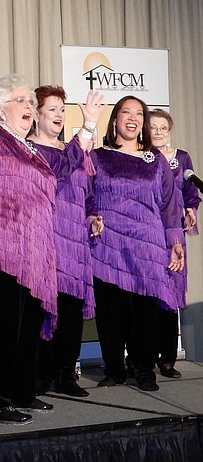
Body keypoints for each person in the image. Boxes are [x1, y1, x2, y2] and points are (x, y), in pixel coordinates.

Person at [0, 32, 95, 425]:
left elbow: (64, 167)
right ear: (0, 107)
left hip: (32, 253)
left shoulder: (32, 149)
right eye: (22, 101)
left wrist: (90, 125)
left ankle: (20, 392)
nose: (30, 106)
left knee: (25, 327)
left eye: (32, 102)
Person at [91, 96, 185, 392]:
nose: (132, 118)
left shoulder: (155, 160)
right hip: (108, 245)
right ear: (115, 118)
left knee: (145, 311)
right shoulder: (97, 157)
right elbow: (86, 194)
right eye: (126, 112)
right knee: (111, 310)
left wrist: (174, 241)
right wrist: (91, 215)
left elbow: (170, 204)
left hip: (147, 244)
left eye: (138, 114)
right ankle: (115, 369)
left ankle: (144, 368)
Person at [29, 85, 104, 398]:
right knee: (43, 309)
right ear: (36, 114)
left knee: (70, 311)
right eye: (52, 109)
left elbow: (87, 192)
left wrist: (92, 215)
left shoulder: (76, 151)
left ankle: (65, 374)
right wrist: (88, 126)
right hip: (43, 241)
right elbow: (55, 176)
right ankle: (40, 374)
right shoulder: (29, 150)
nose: (59, 115)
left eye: (62, 109)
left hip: (74, 241)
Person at [148, 109, 199, 378]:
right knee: (147, 295)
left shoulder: (181, 158)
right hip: (146, 231)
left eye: (162, 127)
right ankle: (142, 357)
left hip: (173, 233)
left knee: (169, 294)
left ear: (170, 129)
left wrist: (191, 209)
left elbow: (191, 192)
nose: (157, 132)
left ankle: (167, 358)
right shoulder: (142, 157)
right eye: (152, 127)